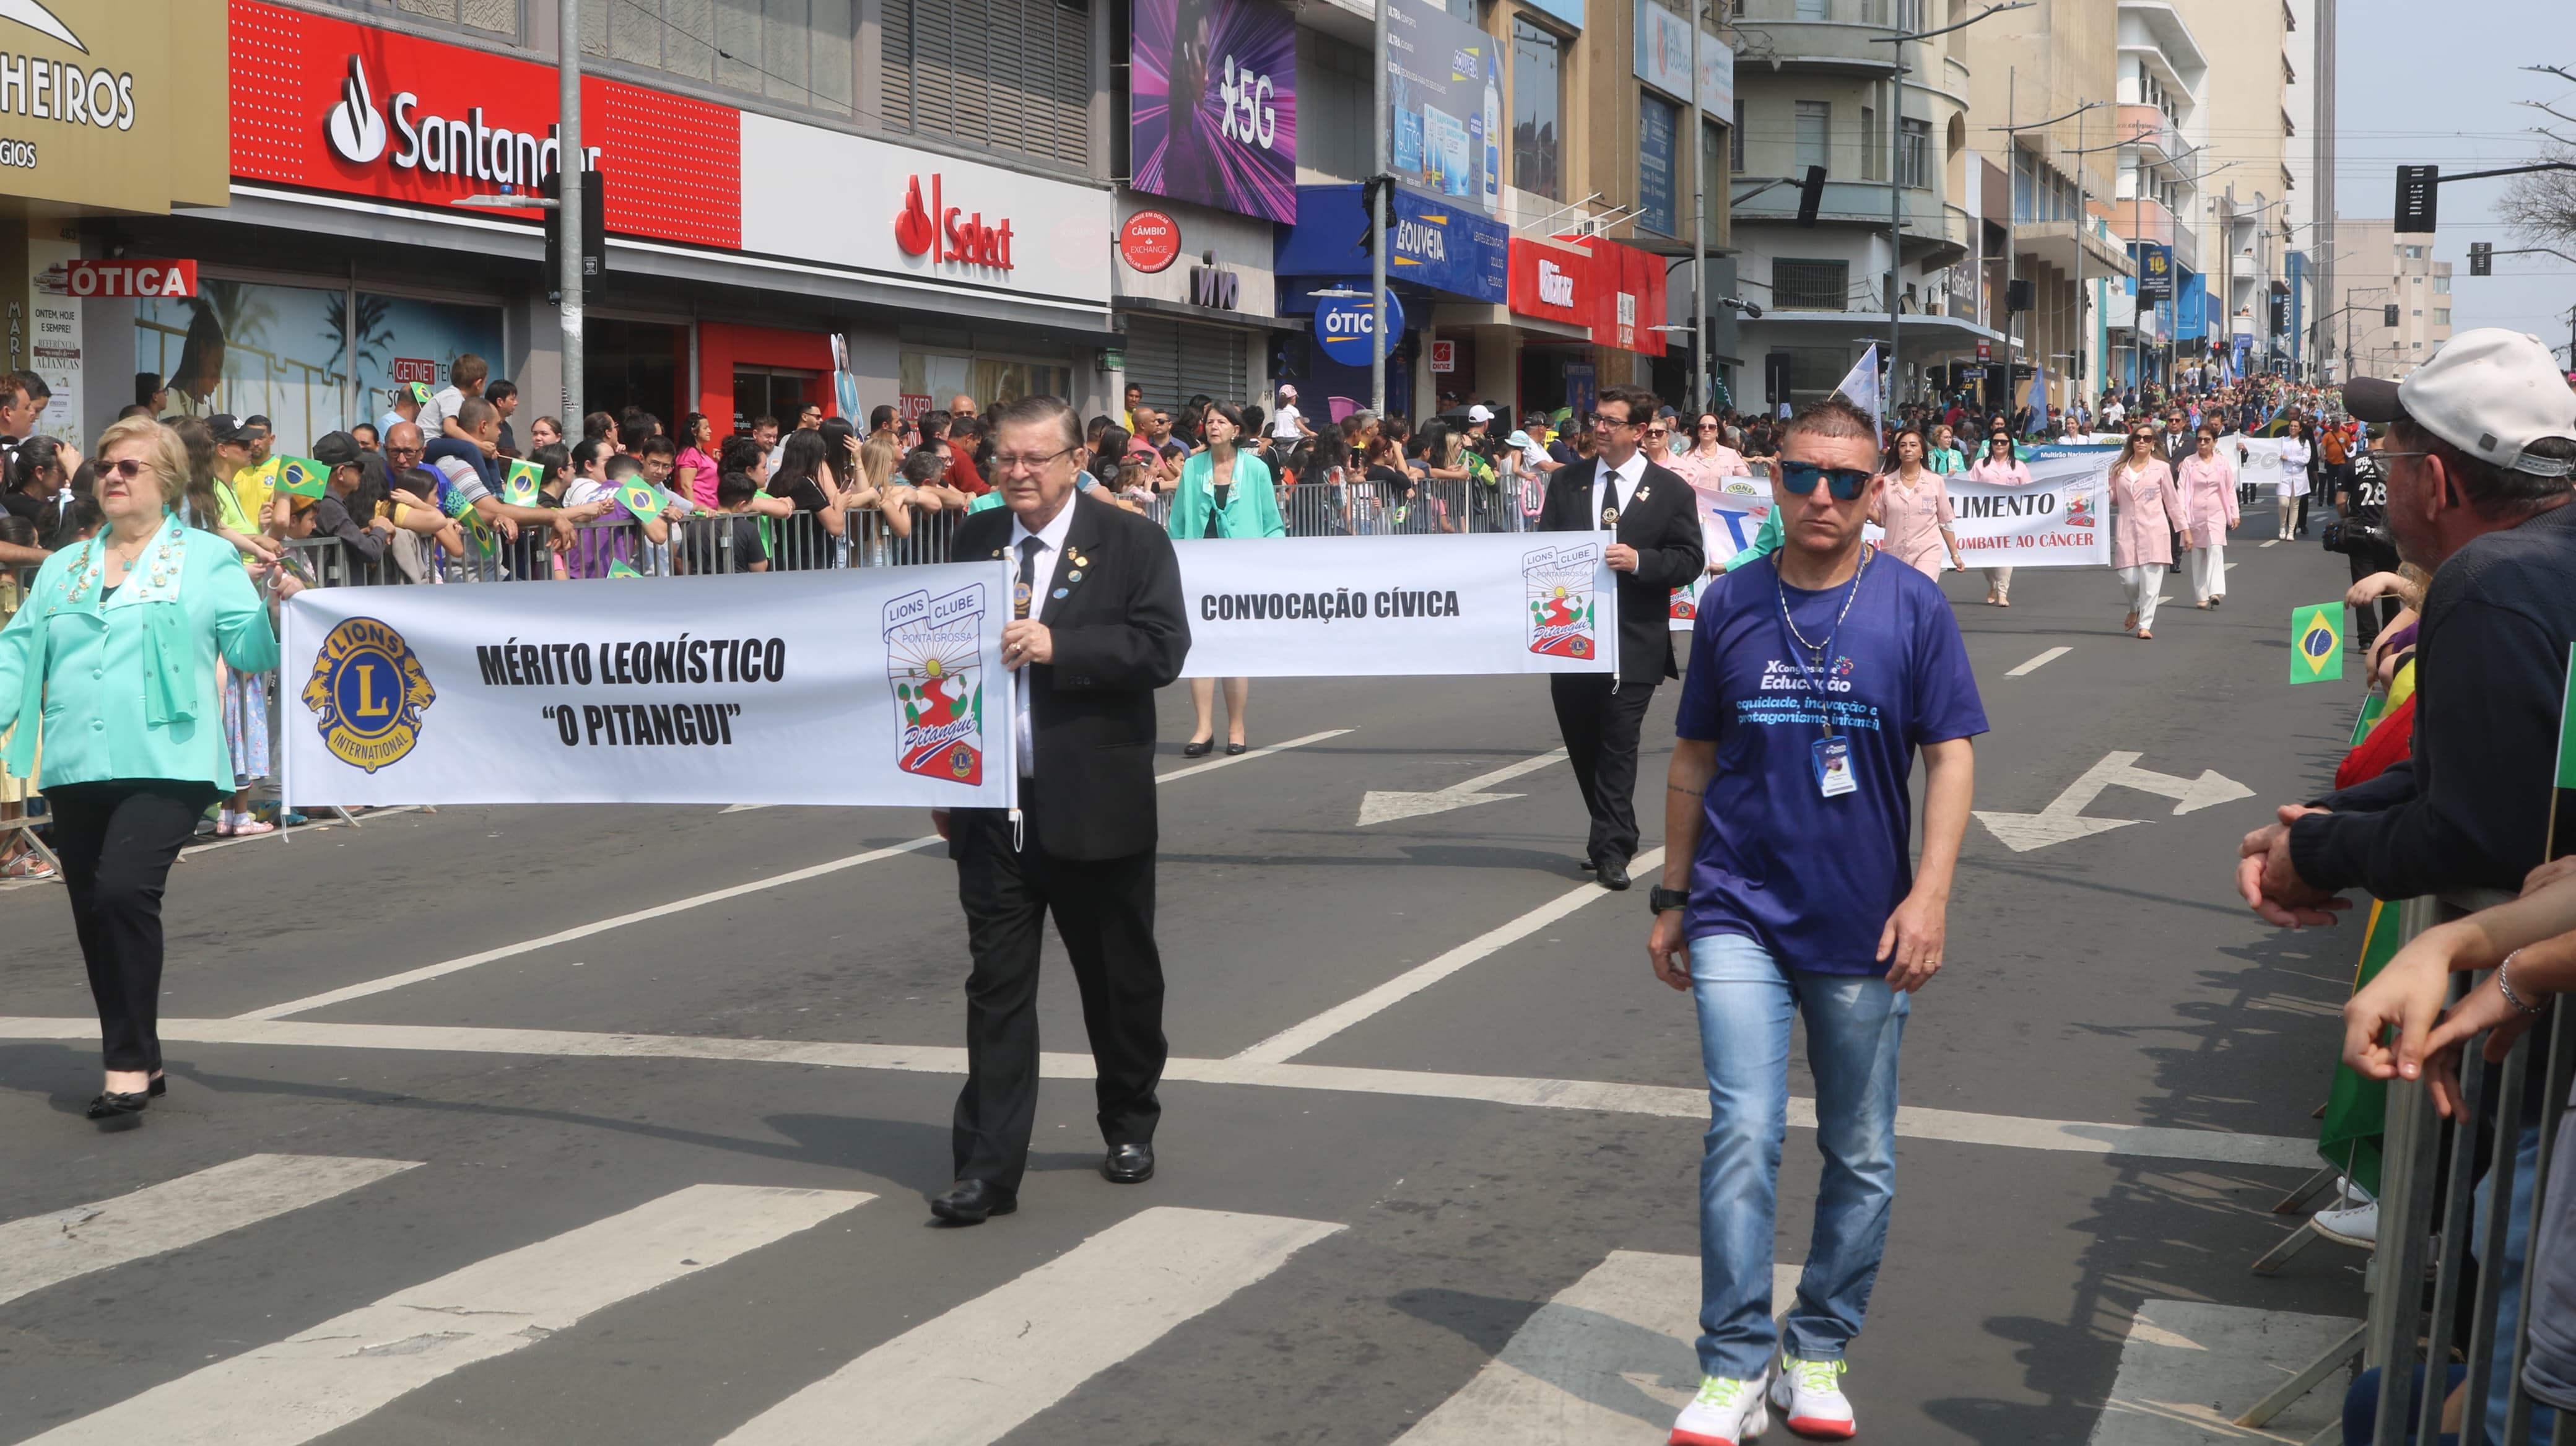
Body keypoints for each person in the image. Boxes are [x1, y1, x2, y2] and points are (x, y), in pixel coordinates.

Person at [1650, 396, 1983, 1446]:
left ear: (1877, 491)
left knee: (1861, 1150)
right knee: (1742, 1131)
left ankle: (1819, 1344)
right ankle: (1735, 1363)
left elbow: (1953, 756)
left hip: (1865, 922)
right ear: (1774, 481)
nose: (1824, 497)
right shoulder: (1733, 603)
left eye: (1847, 481)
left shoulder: (1915, 609)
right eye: (1804, 476)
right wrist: (1673, 891)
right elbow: (1695, 756)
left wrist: (1929, 895)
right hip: (1737, 907)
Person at [930, 394, 1190, 1225]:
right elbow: (931, 659)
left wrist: (1061, 645)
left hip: (1093, 803)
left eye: (1035, 459)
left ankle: (1128, 1117)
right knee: (996, 988)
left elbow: (1162, 646)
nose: (1016, 473)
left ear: (1076, 460)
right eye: (1004, 457)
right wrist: (940, 777)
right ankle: (987, 1167)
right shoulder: (972, 538)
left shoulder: (1131, 541)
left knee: (1118, 982)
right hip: (995, 807)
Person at [0, 416, 302, 1124]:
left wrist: (274, 602)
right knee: (92, 915)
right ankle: (142, 1050)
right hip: (77, 761)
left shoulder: (205, 558)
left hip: (169, 759)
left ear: (164, 480)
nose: (112, 475)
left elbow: (251, 651)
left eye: (130, 466)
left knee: (123, 892)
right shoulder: (65, 567)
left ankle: (128, 1062)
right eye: (106, 464)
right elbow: (16, 650)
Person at [2237, 329, 2576, 926]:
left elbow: (2478, 832)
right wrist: (2321, 819)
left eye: (2390, 461)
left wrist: (2316, 853)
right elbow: (2461, 772)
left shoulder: (2486, 586)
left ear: (2435, 484)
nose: (2382, 477)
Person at [1534, 385, 1706, 891]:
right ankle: (1609, 828)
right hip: (1573, 636)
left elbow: (1689, 558)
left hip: (1635, 639)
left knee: (1617, 744)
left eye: (1612, 421)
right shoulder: (1566, 483)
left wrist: (1641, 562)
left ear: (1638, 430)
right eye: (1597, 419)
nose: (1600, 428)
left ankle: (1613, 849)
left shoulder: (1671, 490)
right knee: (1583, 743)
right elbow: (1544, 549)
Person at [1164, 401, 1281, 754]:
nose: (1213, 427)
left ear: (1236, 429)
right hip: (1200, 567)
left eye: (1221, 422)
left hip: (1242, 569)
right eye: (1209, 421)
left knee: (1234, 649)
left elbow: (1272, 523)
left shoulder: (1257, 469)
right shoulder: (1194, 467)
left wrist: (1271, 564)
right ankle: (1202, 729)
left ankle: (1236, 728)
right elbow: (1178, 524)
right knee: (1200, 649)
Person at [2109, 427, 2178, 640]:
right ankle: (2134, 606)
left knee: (2150, 581)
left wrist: (2184, 530)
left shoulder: (2162, 468)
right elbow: (2113, 499)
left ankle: (2145, 625)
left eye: (2147, 438)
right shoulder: (2118, 469)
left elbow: (2173, 502)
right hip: (2127, 530)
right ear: (2132, 442)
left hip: (2155, 530)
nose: (2142, 441)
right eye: (2137, 438)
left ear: (2153, 443)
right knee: (2128, 580)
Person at [1869, 427, 1964, 580]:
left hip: (1927, 551)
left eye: (1913, 445)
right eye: (1903, 446)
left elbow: (1945, 521)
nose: (1908, 449)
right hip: (1895, 553)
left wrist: (1955, 555)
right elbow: (1882, 520)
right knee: (1901, 598)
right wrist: (1867, 503)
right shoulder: (1886, 482)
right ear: (1898, 452)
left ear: (1922, 452)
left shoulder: (1935, 481)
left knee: (1921, 590)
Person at [2175, 427, 2239, 608]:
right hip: (2195, 514)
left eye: (2207, 440)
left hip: (2217, 512)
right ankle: (2201, 595)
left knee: (2216, 549)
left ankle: (2215, 591)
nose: (2202, 443)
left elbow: (2229, 489)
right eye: (2200, 440)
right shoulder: (2189, 462)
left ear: (2215, 442)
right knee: (2199, 553)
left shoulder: (2222, 463)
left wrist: (2234, 514)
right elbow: (2182, 489)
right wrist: (2182, 516)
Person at [1965, 433, 2032, 606]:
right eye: (1996, 442)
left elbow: (2029, 491)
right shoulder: (1981, 465)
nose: (2000, 445)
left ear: (2010, 444)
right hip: (1984, 517)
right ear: (1991, 444)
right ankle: (1993, 585)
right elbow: (1969, 488)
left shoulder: (2019, 467)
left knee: (2005, 554)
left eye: (2004, 441)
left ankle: (2003, 593)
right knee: (1985, 557)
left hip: (2009, 518)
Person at [674, 412, 721, 511]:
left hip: (709, 511)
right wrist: (693, 511)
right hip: (699, 515)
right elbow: (686, 486)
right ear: (694, 432)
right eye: (705, 428)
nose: (710, 431)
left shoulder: (701, 454)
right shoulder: (689, 453)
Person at [2277, 416, 2314, 540]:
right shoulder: (2283, 441)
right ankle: (2282, 526)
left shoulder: (2305, 442)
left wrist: (2289, 458)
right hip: (2284, 475)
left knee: (2294, 505)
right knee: (2283, 503)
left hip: (2299, 477)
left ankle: (2291, 531)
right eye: (2291, 426)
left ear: (2300, 429)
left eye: (2295, 426)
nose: (2292, 428)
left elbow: (2305, 460)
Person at [485, 378, 521, 456]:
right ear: (500, 402)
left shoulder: (507, 428)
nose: (516, 403)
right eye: (512, 399)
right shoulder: (486, 427)